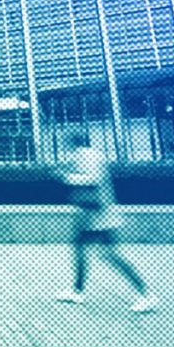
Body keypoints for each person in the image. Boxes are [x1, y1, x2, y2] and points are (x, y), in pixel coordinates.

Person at [55, 132, 158, 313]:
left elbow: (92, 180)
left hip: (99, 215)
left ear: (74, 141)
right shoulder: (83, 155)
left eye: (67, 142)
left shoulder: (89, 156)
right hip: (91, 213)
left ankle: (146, 295)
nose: (65, 146)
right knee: (80, 248)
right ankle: (77, 290)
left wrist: (68, 178)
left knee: (110, 254)